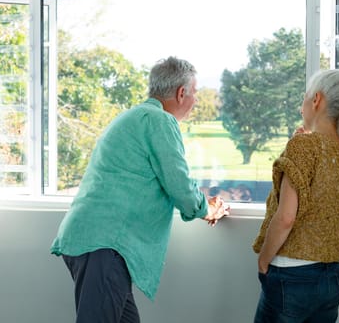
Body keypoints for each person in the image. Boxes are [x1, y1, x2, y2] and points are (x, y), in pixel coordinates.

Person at [50, 56, 229, 323]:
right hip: (106, 245)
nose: (195, 102)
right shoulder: (160, 121)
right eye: (195, 94)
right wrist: (208, 209)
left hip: (95, 242)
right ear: (182, 93)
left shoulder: (135, 117)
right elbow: (178, 183)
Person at [252, 69, 339, 323]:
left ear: (317, 100)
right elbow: (326, 203)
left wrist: (263, 260)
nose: (300, 107)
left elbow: (286, 217)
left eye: (304, 98)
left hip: (291, 278)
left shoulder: (305, 147)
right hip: (333, 278)